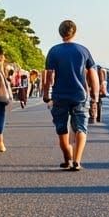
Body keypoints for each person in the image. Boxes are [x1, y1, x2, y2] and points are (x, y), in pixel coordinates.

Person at [42, 19, 99, 171]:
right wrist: (95, 96)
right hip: (80, 95)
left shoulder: (54, 51)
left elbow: (49, 75)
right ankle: (77, 161)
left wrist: (46, 93)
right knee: (81, 128)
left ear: (60, 33)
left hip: (60, 95)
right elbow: (93, 75)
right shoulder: (83, 50)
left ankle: (67, 157)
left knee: (62, 129)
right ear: (75, 32)